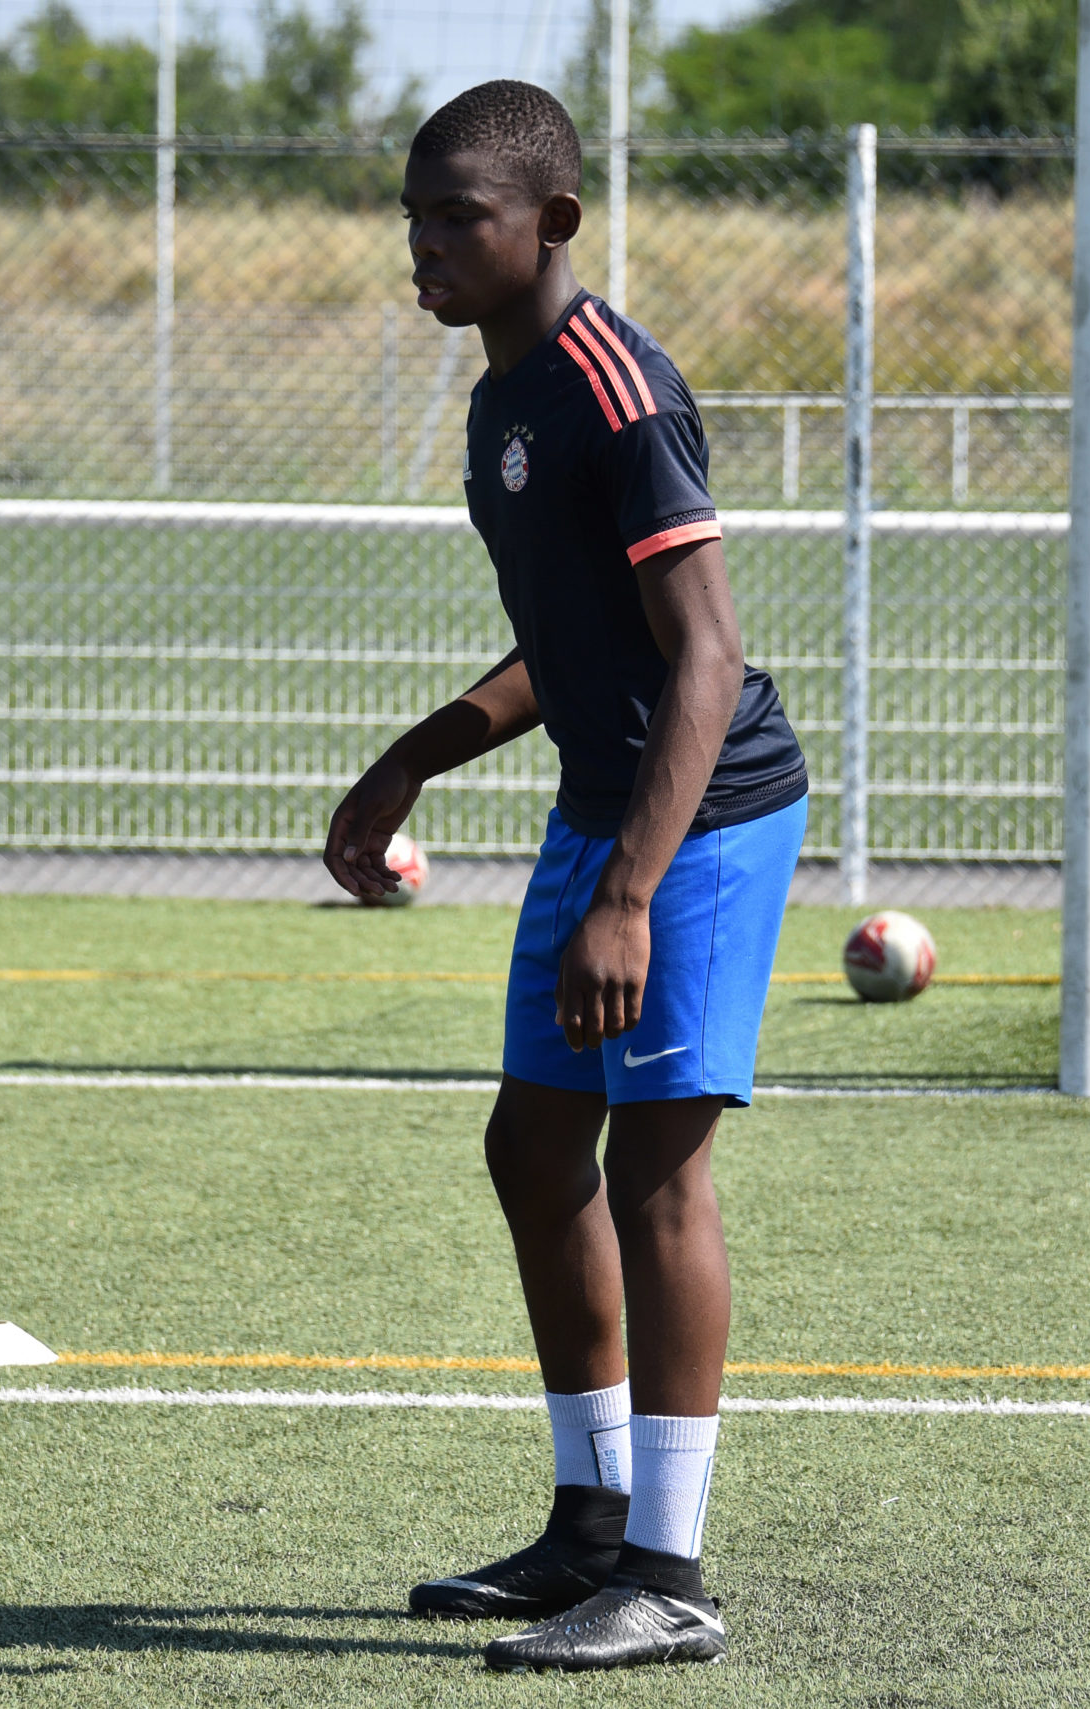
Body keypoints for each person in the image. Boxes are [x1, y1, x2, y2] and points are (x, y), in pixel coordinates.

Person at [323, 79, 809, 1673]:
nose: (423, 243)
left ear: (552, 223)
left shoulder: (616, 388)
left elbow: (706, 653)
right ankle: (590, 1526)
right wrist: (412, 757)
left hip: (701, 817)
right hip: (603, 808)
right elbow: (570, 648)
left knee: (660, 1170)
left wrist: (629, 893)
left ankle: (668, 1573)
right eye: (413, 215)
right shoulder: (501, 402)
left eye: (456, 215)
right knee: (534, 1146)